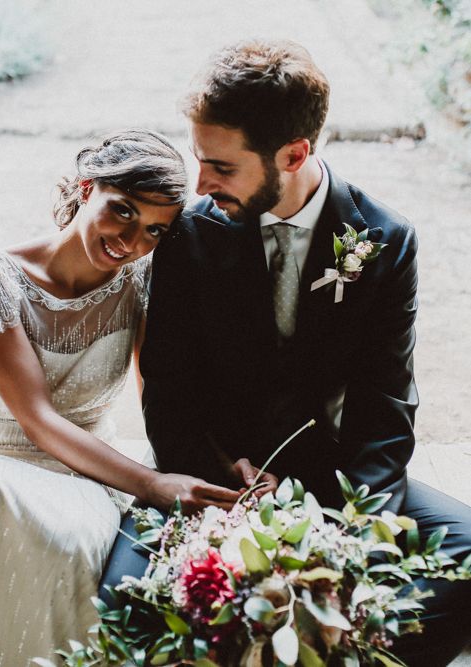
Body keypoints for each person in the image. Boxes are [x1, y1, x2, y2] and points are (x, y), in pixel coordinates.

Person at [101, 41, 471, 666]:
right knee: (125, 602)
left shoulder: (384, 240)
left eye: (220, 166)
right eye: (199, 161)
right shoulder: (189, 234)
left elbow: (386, 403)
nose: (199, 183)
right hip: (213, 473)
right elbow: (168, 387)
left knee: (462, 559)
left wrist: (340, 520)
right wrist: (224, 485)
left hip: (329, 470)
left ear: (295, 154)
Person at [0, 129, 276, 667]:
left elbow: (167, 392)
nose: (131, 242)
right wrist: (152, 484)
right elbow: (36, 420)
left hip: (85, 470)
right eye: (123, 211)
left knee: (70, 541)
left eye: (154, 230)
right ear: (87, 189)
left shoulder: (142, 281)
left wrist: (225, 463)